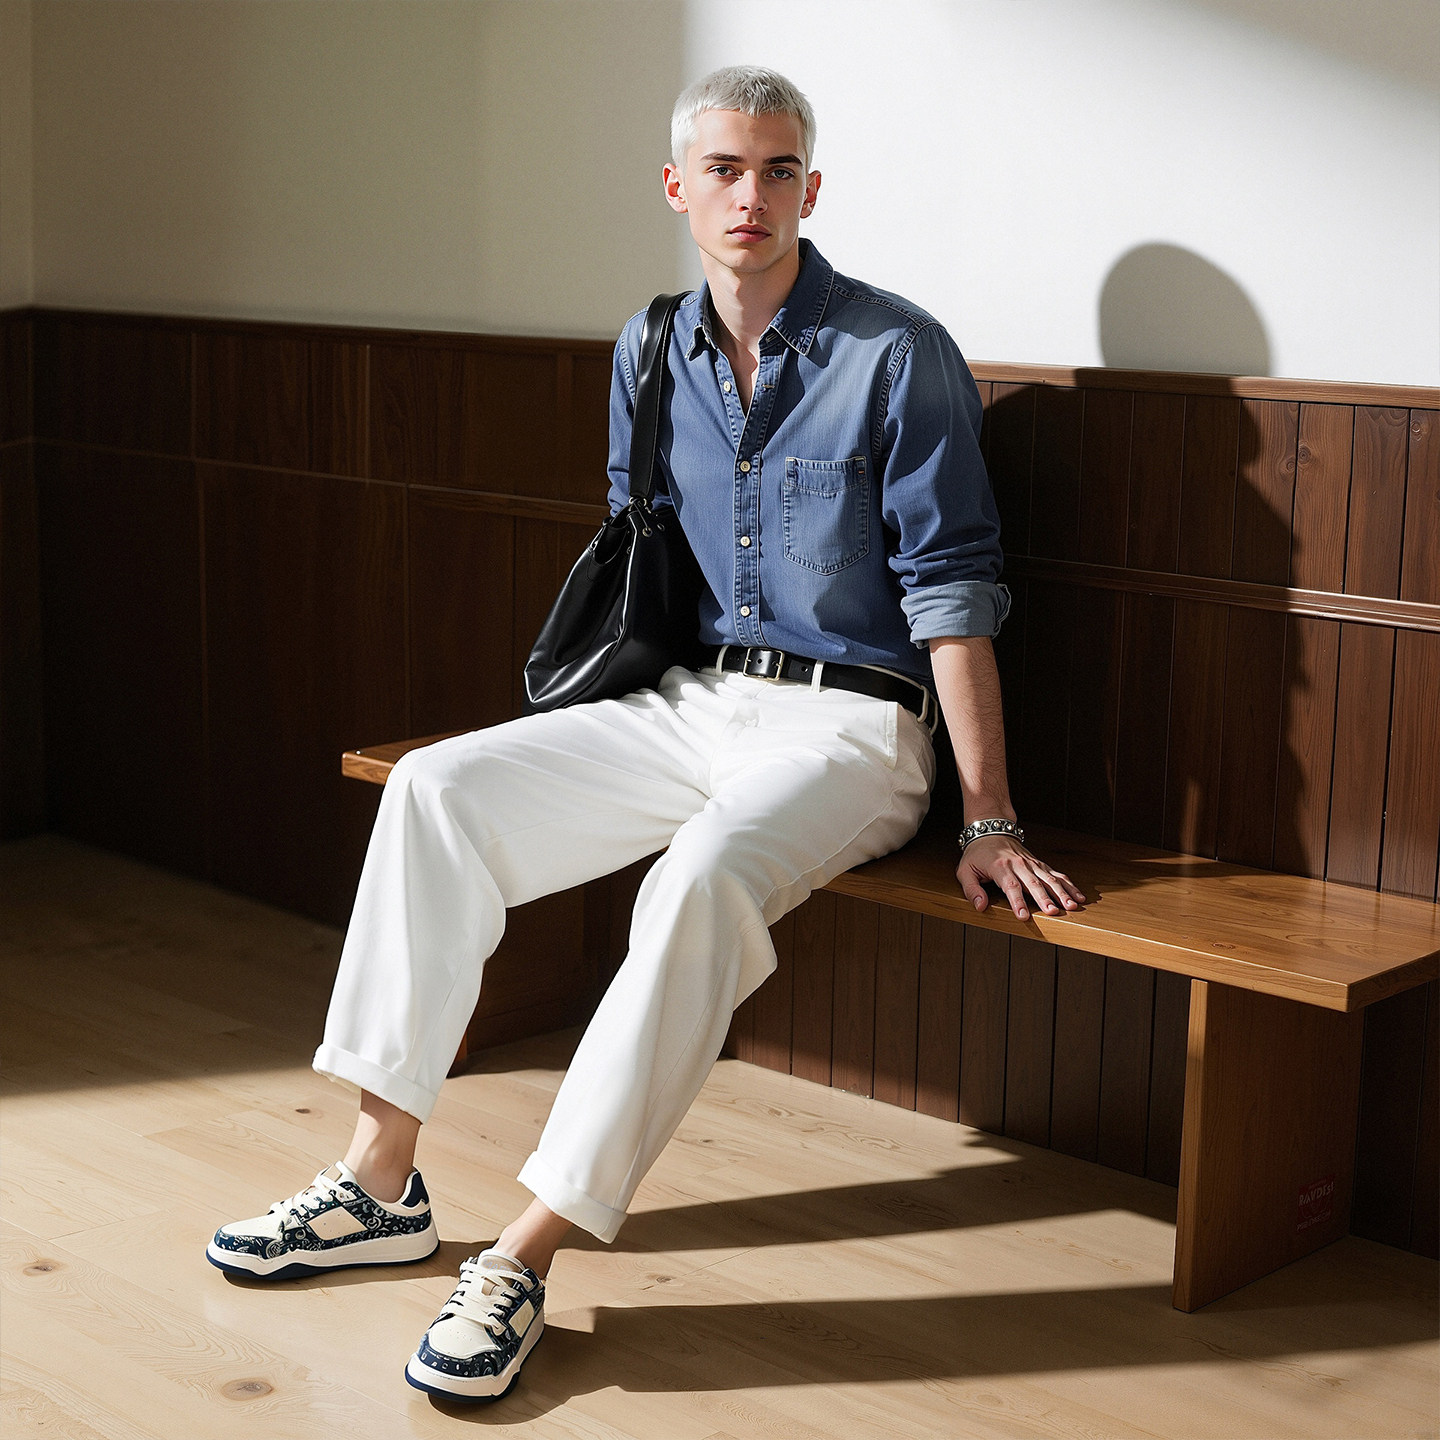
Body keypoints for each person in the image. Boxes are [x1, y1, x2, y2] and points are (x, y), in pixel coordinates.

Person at [206, 65, 1084, 1403]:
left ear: (812, 189)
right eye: (724, 169)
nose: (751, 195)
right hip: (693, 700)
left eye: (777, 170)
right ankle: (379, 1182)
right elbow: (642, 551)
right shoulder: (650, 346)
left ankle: (523, 1254)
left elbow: (954, 593)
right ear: (679, 187)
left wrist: (992, 815)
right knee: (434, 791)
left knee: (695, 883)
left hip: (855, 729)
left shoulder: (898, 355)